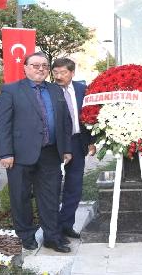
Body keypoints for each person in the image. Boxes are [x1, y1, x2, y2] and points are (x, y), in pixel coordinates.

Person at [0, 52, 73, 253]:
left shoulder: (55, 89)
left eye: (44, 65)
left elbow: (65, 121)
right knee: (20, 197)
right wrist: (5, 153)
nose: (41, 69)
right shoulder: (11, 90)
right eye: (36, 65)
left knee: (50, 197)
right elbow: (2, 124)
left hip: (50, 153)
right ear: (25, 68)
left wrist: (66, 148)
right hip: (19, 155)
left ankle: (52, 237)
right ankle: (26, 236)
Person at [52, 58, 94, 242]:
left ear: (72, 73)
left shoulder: (82, 89)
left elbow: (89, 116)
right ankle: (52, 228)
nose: (59, 76)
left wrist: (91, 141)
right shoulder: (49, 90)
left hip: (77, 142)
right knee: (53, 186)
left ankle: (66, 225)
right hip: (54, 144)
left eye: (63, 72)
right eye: (56, 72)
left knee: (74, 186)